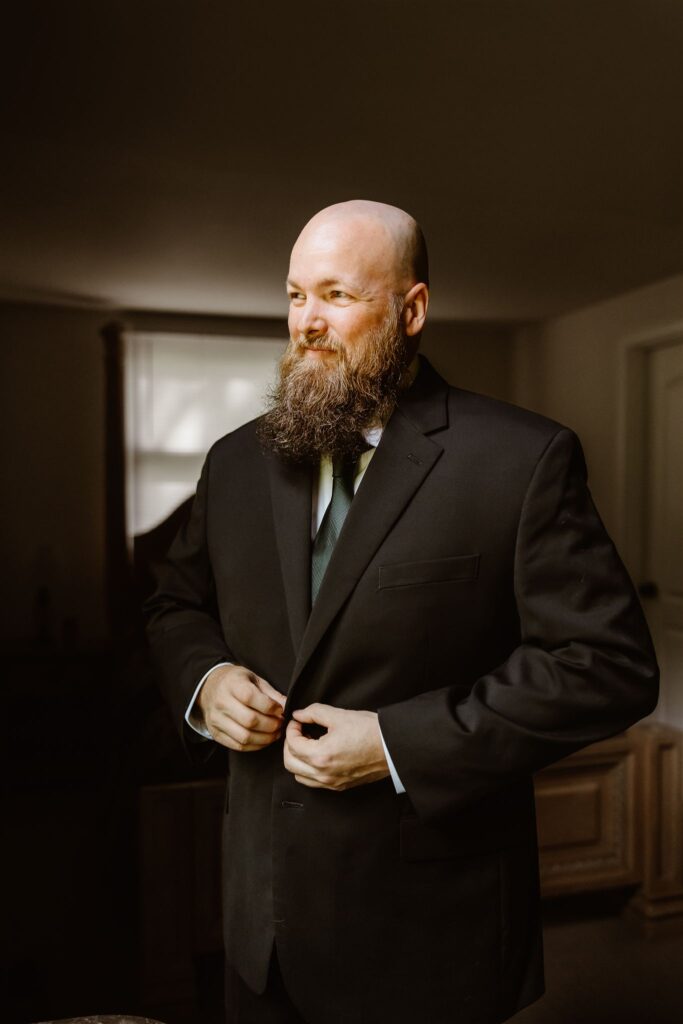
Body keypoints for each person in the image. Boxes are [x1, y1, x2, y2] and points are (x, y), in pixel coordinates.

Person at [145, 200, 658, 1024]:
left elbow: (607, 667)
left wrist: (395, 744)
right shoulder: (234, 461)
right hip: (260, 922)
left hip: (430, 930)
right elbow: (175, 604)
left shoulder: (522, 459)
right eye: (295, 295)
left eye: (336, 295)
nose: (306, 322)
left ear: (410, 310)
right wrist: (203, 681)